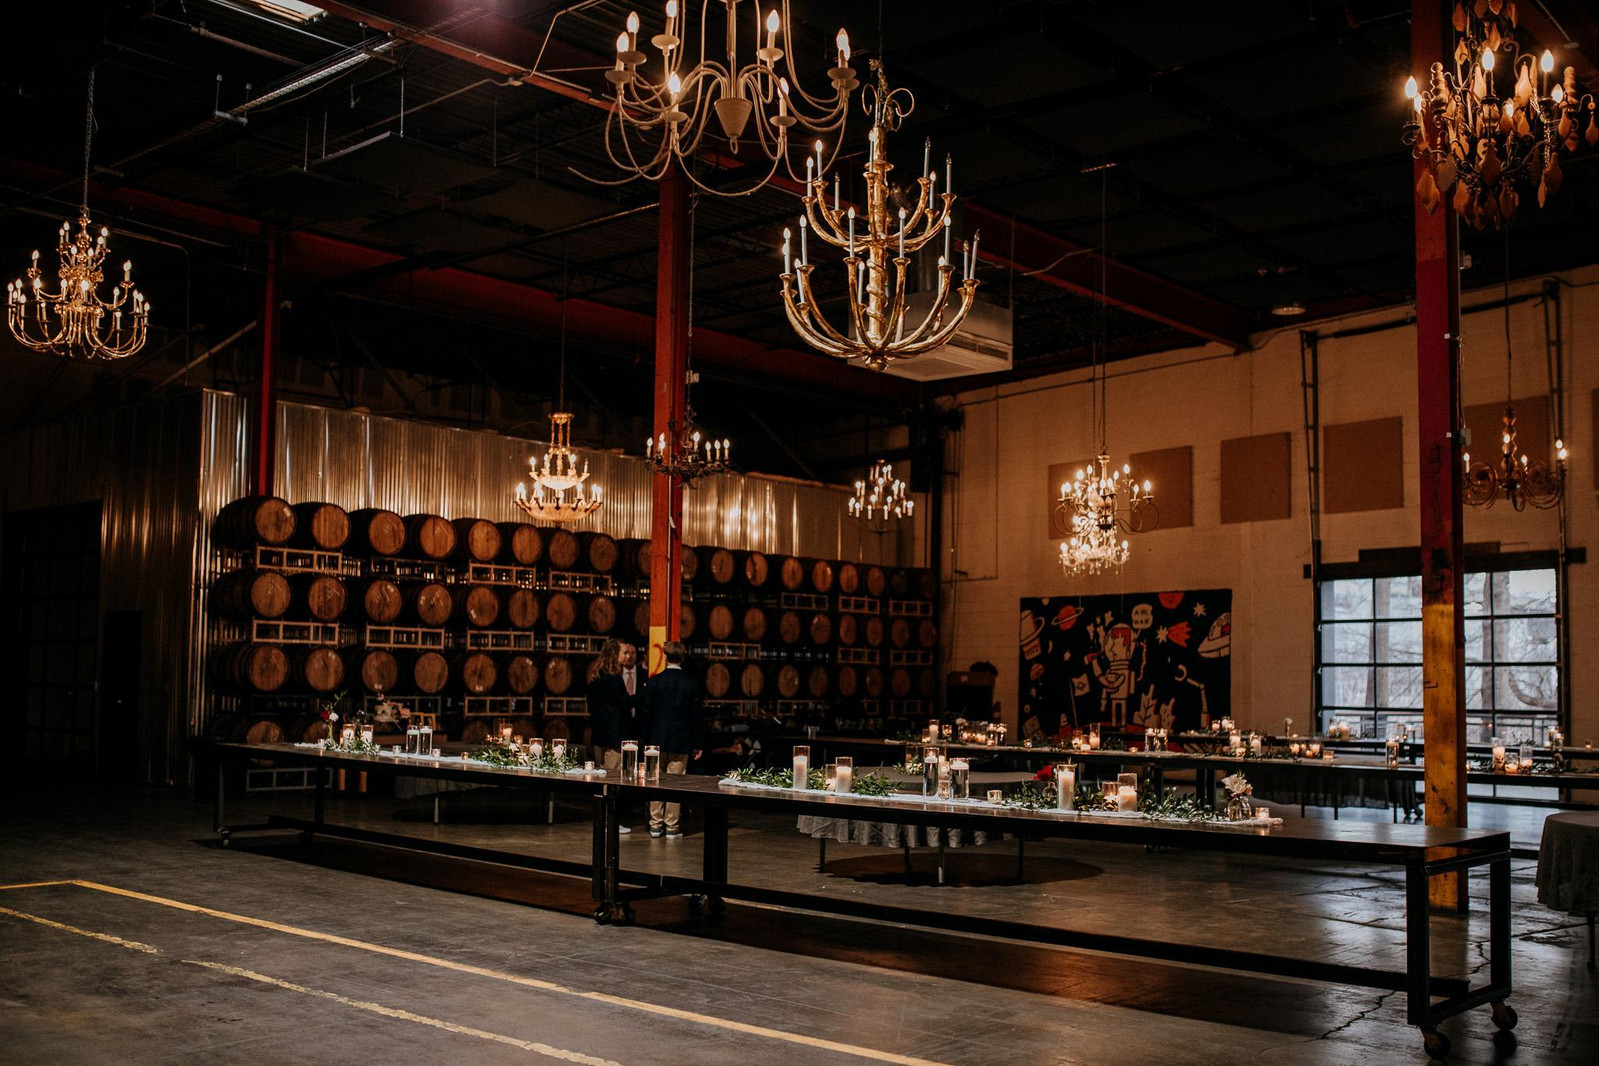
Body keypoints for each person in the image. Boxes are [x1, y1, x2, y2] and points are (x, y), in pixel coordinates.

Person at [641, 641, 703, 839]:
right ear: (683, 658)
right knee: (675, 785)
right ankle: (672, 826)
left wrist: (645, 741)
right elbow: (696, 717)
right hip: (681, 740)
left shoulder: (653, 682)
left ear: (666, 657)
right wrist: (698, 743)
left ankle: (655, 825)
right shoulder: (691, 683)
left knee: (654, 782)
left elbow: (646, 715)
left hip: (655, 741)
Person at [588, 640, 643, 834]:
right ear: (614, 654)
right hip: (614, 738)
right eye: (623, 653)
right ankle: (611, 822)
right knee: (612, 782)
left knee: (602, 780)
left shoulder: (596, 676)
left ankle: (602, 820)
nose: (627, 656)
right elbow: (625, 703)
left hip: (599, 736)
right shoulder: (613, 678)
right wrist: (645, 691)